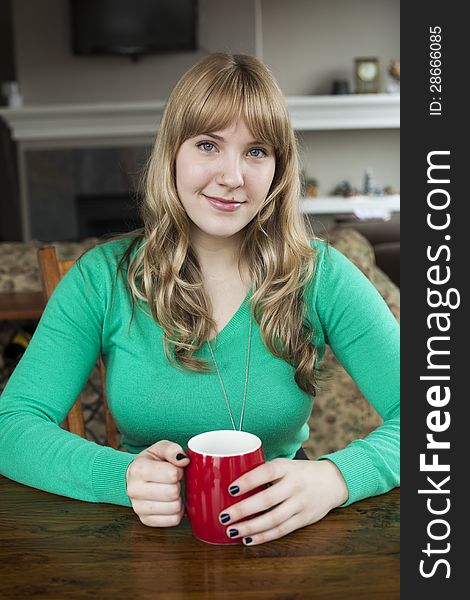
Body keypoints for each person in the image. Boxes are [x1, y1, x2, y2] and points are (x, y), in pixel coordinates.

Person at [0, 53, 399, 546]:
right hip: (141, 538)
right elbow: (12, 426)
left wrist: (337, 478)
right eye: (208, 144)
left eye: (256, 152)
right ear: (172, 153)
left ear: (278, 168)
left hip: (284, 537)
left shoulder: (321, 274)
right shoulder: (100, 280)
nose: (232, 176)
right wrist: (120, 477)